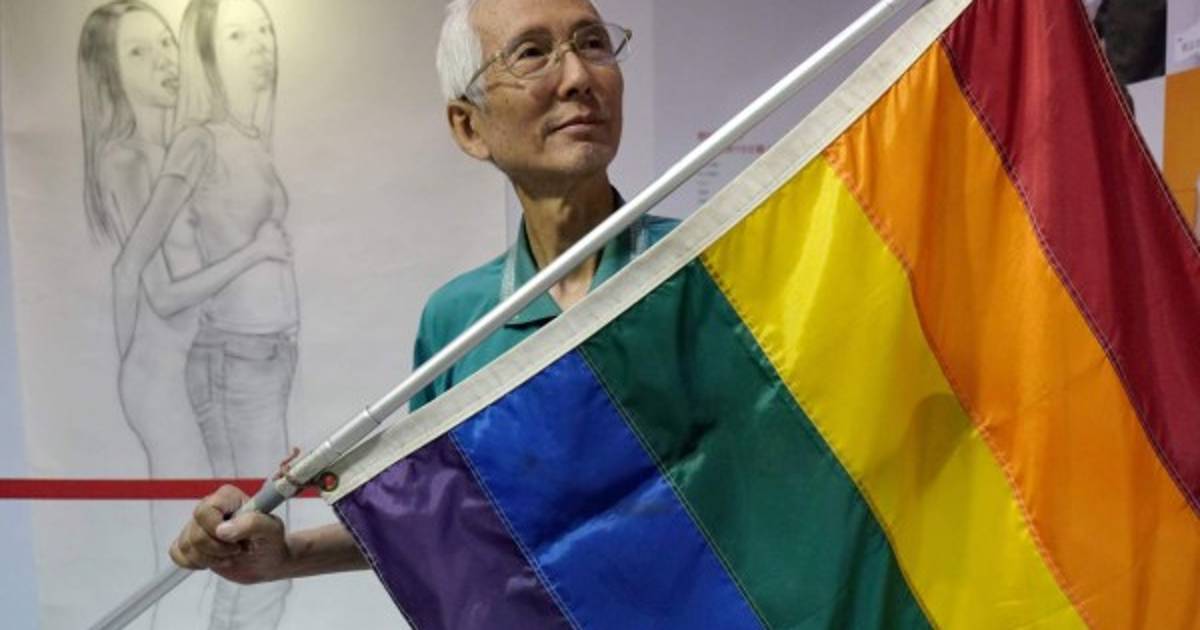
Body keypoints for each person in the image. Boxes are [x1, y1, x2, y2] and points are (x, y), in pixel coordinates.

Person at [170, 0, 673, 596]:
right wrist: (286, 555)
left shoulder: (701, 270)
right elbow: (448, 515)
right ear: (469, 127)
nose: (578, 77)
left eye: (592, 43)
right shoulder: (458, 318)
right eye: (533, 53)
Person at [77, 2, 290, 628]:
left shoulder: (173, 145)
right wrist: (136, 361)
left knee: (205, 545)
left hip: (187, 358)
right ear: (110, 73)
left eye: (165, 45)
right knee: (185, 556)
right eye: (138, 53)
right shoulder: (132, 158)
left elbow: (141, 276)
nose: (164, 60)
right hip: (168, 370)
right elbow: (151, 285)